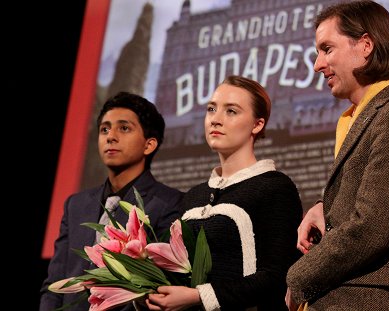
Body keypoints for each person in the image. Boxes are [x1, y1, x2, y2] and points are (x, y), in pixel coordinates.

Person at [285, 1, 389, 310]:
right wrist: (324, 208)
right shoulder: (358, 119)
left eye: (327, 49)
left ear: (366, 45)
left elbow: (372, 227)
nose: (317, 64)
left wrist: (298, 277)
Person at [145, 75, 303, 311]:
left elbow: (277, 276)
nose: (215, 120)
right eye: (211, 109)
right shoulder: (193, 197)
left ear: (257, 124)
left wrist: (198, 297)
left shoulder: (275, 188)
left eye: (231, 111)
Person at [39, 91, 184, 311]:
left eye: (124, 128)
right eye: (104, 129)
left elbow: (161, 287)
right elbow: (55, 283)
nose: (110, 136)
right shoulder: (75, 205)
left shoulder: (169, 203)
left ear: (149, 145)